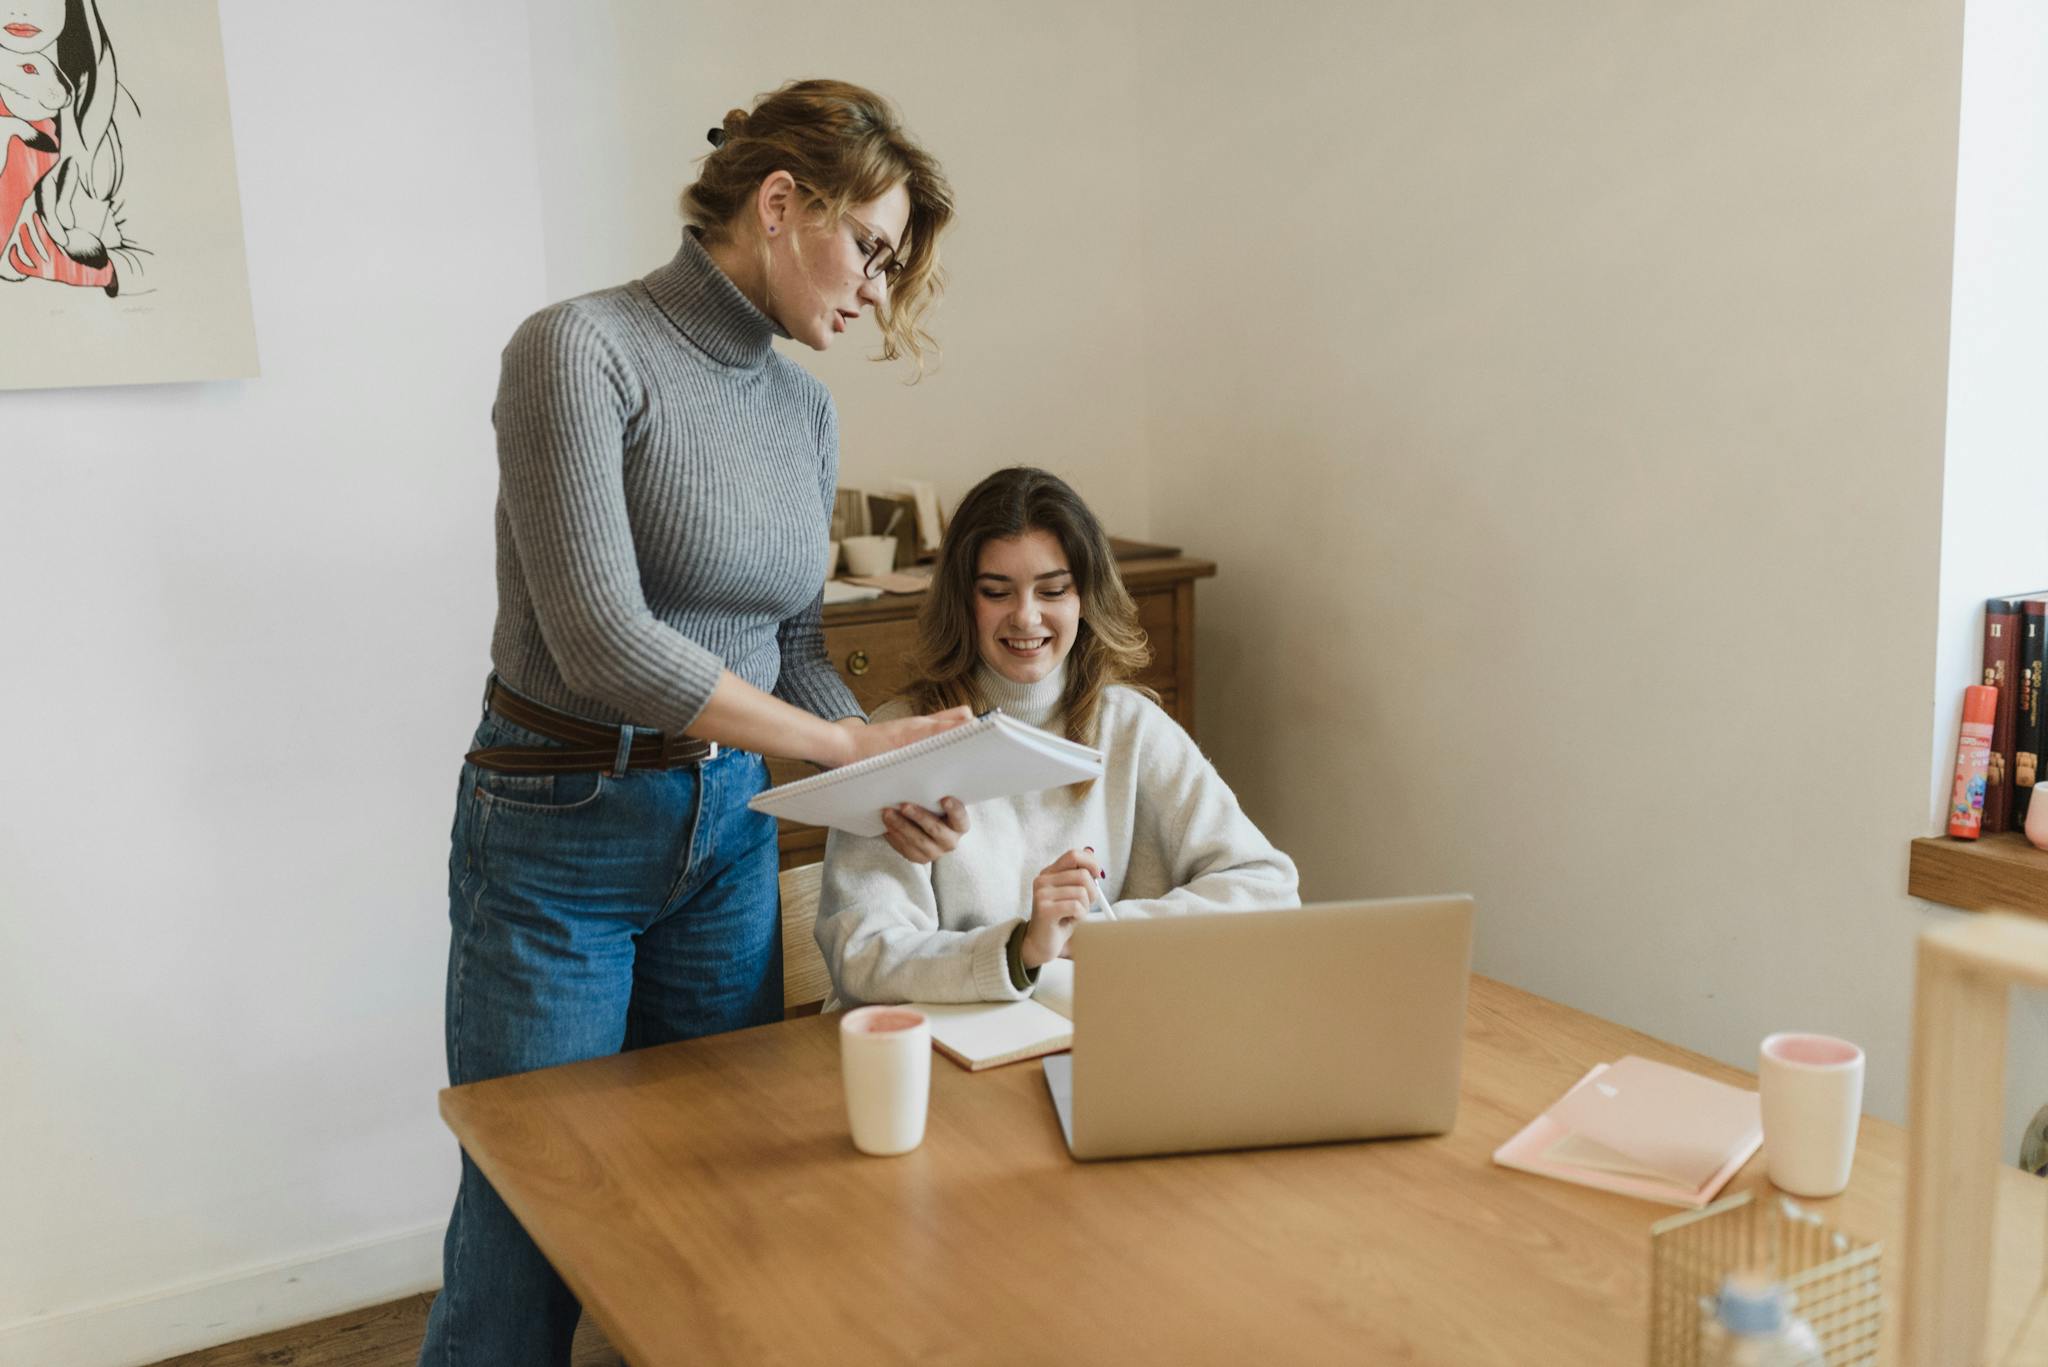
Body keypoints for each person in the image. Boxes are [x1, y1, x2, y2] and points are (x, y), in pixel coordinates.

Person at [421, 80, 970, 1367]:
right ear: (780, 205)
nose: (877, 291)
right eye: (870, 250)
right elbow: (602, 640)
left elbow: (791, 643)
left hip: (724, 831)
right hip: (559, 831)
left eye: (893, 265)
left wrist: (877, 773)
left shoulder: (803, 408)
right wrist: (834, 747)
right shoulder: (574, 348)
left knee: (709, 1195)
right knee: (530, 1211)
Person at [815, 467, 1300, 1007]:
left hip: (1086, 1039)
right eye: (997, 591)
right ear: (962, 600)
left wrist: (1089, 931)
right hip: (939, 1054)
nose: (1026, 617)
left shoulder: (1130, 726)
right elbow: (861, 954)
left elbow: (1268, 887)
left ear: (1084, 597)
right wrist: (1019, 949)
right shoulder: (900, 737)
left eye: (1053, 590)